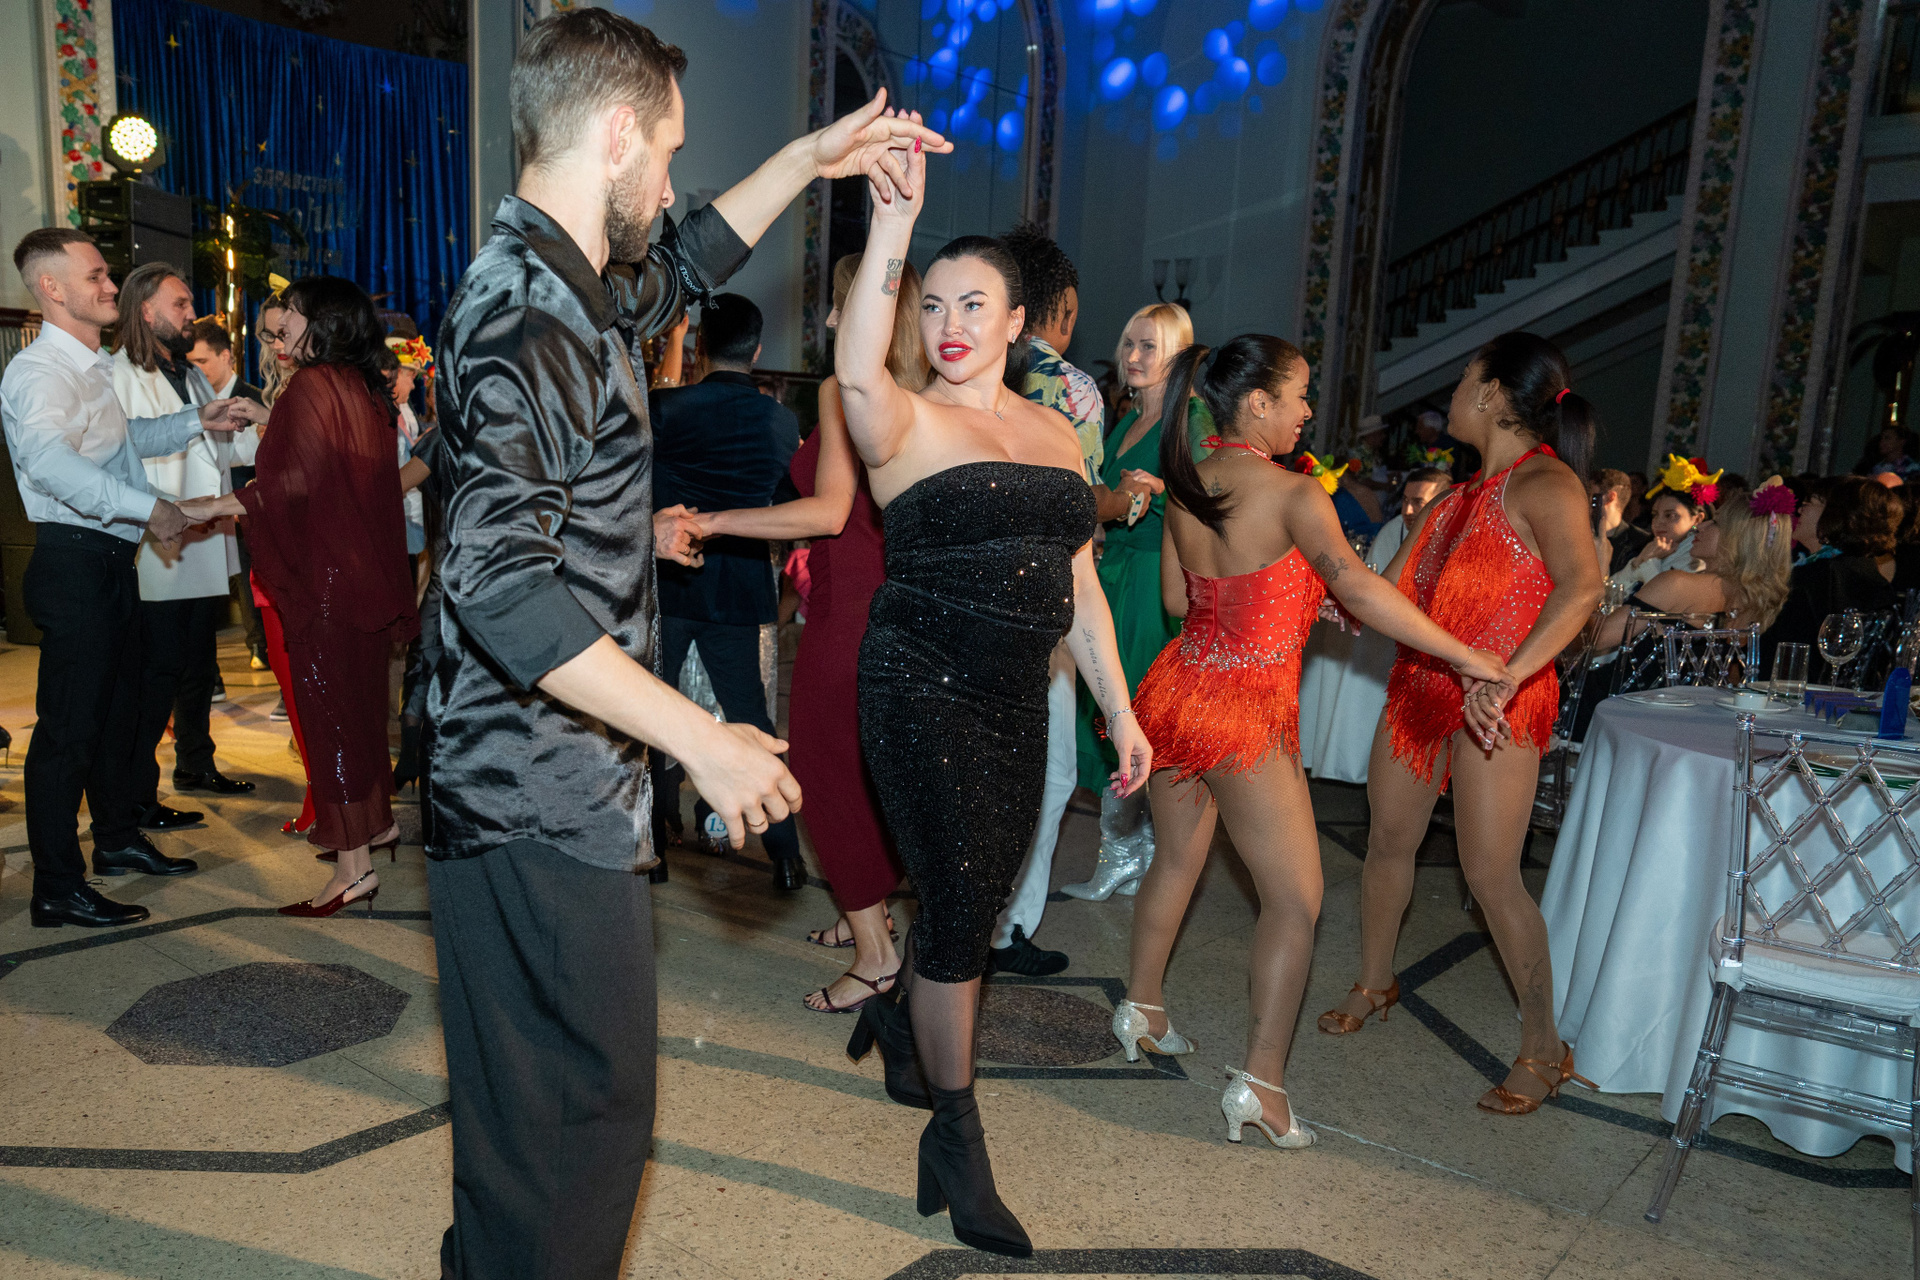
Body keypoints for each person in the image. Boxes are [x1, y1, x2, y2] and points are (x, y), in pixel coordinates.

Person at [418, 11, 938, 1277]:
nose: (670, 183)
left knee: (539, 1112)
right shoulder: (528, 312)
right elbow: (498, 583)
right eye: (666, 152)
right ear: (615, 135)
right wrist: (699, 735)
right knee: (579, 1115)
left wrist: (812, 158)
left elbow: (686, 264)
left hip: (558, 772)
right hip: (529, 782)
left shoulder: (573, 277)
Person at [837, 141, 1150, 1258]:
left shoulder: (1057, 433)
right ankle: (958, 1141)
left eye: (974, 304)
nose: (950, 323)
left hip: (1020, 698)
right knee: (966, 902)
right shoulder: (901, 418)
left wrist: (1120, 710)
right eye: (932, 304)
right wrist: (891, 227)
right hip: (918, 687)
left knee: (969, 894)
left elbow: (1080, 587)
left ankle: (897, 1014)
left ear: (1021, 322)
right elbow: (856, 373)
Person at [1122, 336, 1510, 1148]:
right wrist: (1467, 654)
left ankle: (1142, 1010)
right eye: (1299, 393)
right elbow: (1359, 586)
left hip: (1178, 689)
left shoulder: (1190, 482)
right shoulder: (1293, 491)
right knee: (1296, 903)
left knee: (1176, 862)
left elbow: (1180, 599)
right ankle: (1262, 1086)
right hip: (1244, 709)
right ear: (1256, 401)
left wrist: (1288, 593)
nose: (1307, 409)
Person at [1319, 331, 1604, 1116]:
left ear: (1490, 393)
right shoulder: (1450, 498)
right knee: (1387, 842)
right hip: (1420, 689)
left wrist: (1510, 675)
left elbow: (1581, 589)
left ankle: (1544, 1045)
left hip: (1500, 701)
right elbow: (1386, 592)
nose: (1449, 397)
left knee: (1490, 875)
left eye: (1460, 382)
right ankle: (1375, 980)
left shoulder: (1546, 481)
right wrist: (1325, 592)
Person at [692, 252, 922, 1012]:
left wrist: (712, 523)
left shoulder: (843, 389)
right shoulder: (919, 392)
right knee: (869, 769)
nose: (827, 320)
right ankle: (866, 911)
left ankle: (876, 956)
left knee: (824, 776)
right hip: (894, 608)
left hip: (848, 613)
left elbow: (827, 513)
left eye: (839, 306)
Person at [1, 228, 249, 927]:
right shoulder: (39, 371)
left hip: (109, 562)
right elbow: (51, 464)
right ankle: (56, 886)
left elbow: (122, 445)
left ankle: (114, 839)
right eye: (97, 276)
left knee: (117, 717)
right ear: (52, 288)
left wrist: (196, 418)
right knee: (68, 733)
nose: (112, 285)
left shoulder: (88, 368)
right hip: (74, 562)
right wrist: (151, 509)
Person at [179, 277, 414, 910]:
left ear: (325, 322)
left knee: (330, 720)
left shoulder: (312, 385)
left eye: (295, 313)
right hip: (364, 580)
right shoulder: (363, 385)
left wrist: (208, 507)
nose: (283, 320)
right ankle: (375, 827)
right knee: (362, 714)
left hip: (326, 585)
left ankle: (354, 868)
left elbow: (292, 483)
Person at [994, 221, 1149, 943]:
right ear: (1059, 307)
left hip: (967, 588)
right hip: (1045, 592)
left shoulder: (964, 373)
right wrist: (1127, 500)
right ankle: (1008, 927)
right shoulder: (1071, 388)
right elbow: (1078, 505)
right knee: (1049, 771)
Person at [650, 292, 806, 891]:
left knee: (652, 715)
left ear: (701, 346)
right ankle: (786, 855)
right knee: (752, 718)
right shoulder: (778, 421)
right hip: (740, 590)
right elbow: (786, 504)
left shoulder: (667, 407)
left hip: (669, 583)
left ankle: (653, 843)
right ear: (757, 350)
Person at [112, 265, 260, 832]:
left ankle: (196, 763)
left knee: (199, 664)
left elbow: (218, 447)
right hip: (161, 538)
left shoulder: (191, 374)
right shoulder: (119, 374)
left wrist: (258, 431)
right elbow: (121, 455)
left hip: (205, 534)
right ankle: (137, 794)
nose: (191, 314)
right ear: (146, 310)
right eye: (180, 304)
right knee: (157, 673)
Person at [1072, 303, 1208, 902]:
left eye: (1148, 346)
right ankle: (1128, 851)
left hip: (1157, 582)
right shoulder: (1128, 415)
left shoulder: (1192, 416)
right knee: (1111, 709)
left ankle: (1138, 854)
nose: (1132, 356)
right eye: (1129, 343)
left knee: (1141, 715)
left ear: (1177, 353)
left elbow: (1214, 495)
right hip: (1116, 574)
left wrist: (1164, 493)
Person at [1299, 466, 1451, 784]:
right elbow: (1382, 582)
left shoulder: (1456, 535)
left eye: (1419, 503)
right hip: (1392, 627)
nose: (1409, 510)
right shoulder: (1394, 529)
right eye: (1405, 501)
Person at [1593, 488, 1792, 649]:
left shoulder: (1677, 584)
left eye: (1716, 523)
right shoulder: (1750, 598)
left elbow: (1593, 640)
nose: (1700, 527)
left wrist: (1596, 570)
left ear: (1739, 538)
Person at [186, 317, 269, 672]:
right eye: (191, 363)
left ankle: (260, 646)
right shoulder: (189, 402)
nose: (197, 369)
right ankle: (209, 670)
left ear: (226, 356)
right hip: (205, 512)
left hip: (246, 506)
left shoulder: (257, 399)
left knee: (252, 580)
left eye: (202, 361)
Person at [1760, 474, 1903, 670]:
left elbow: (1779, 651)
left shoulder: (1820, 576)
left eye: (1809, 503)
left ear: (1834, 514)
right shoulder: (1861, 569)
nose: (1799, 510)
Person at [1616, 486, 1707, 587]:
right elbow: (1611, 589)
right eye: (1655, 515)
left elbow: (1663, 595)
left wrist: (1649, 561)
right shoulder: (1651, 547)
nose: (1658, 522)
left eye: (1670, 515)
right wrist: (1638, 561)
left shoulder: (1699, 561)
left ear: (1697, 520)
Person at [1591, 467, 1650, 577]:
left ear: (1610, 497)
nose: (1586, 501)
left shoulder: (1640, 542)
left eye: (1593, 497)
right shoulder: (1580, 535)